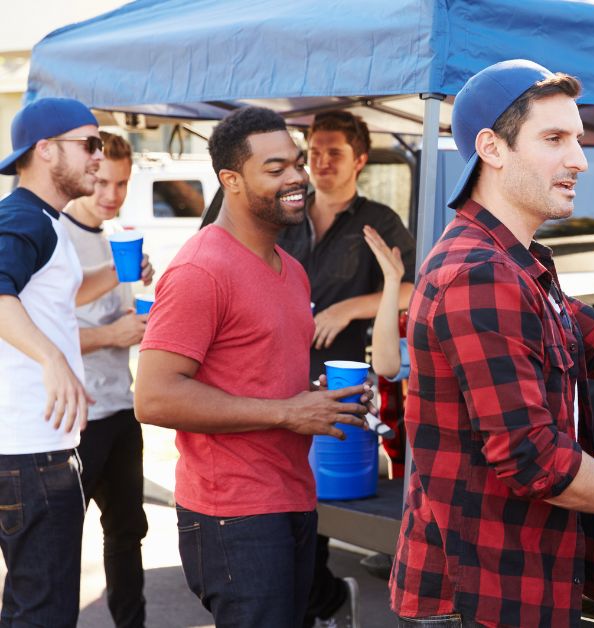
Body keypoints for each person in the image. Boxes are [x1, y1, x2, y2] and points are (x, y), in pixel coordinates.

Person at [390, 59, 594, 627]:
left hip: (514, 590)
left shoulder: (519, 266)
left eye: (579, 139)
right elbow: (531, 459)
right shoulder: (479, 272)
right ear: (491, 148)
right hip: (478, 600)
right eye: (555, 139)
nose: (580, 159)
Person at [134, 106, 371, 626]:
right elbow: (153, 397)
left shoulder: (290, 269)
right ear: (231, 180)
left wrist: (319, 400)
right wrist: (288, 413)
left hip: (293, 495)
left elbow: (258, 374)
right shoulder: (201, 269)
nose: (296, 179)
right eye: (275, 168)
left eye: (296, 163)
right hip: (233, 513)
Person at [0, 97, 151, 626]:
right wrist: (53, 360)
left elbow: (60, 296)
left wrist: (118, 272)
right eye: (87, 144)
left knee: (28, 607)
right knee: (44, 614)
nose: (97, 156)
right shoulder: (24, 216)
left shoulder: (45, 220)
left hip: (37, 449)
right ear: (44, 150)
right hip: (32, 455)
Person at [278, 110, 417, 628]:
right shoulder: (286, 208)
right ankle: (322, 602)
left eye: (333, 152)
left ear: (360, 158)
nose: (320, 162)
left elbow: (409, 287)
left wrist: (347, 308)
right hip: (274, 377)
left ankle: (326, 601)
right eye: (313, 151)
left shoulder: (379, 219)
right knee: (286, 507)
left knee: (318, 504)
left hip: (339, 381)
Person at [62, 131, 151, 628]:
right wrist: (113, 333)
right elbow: (29, 335)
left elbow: (123, 321)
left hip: (122, 409)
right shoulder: (55, 236)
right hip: (72, 420)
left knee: (126, 535)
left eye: (121, 183)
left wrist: (140, 321)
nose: (110, 194)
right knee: (56, 546)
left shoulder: (118, 237)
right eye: (101, 181)